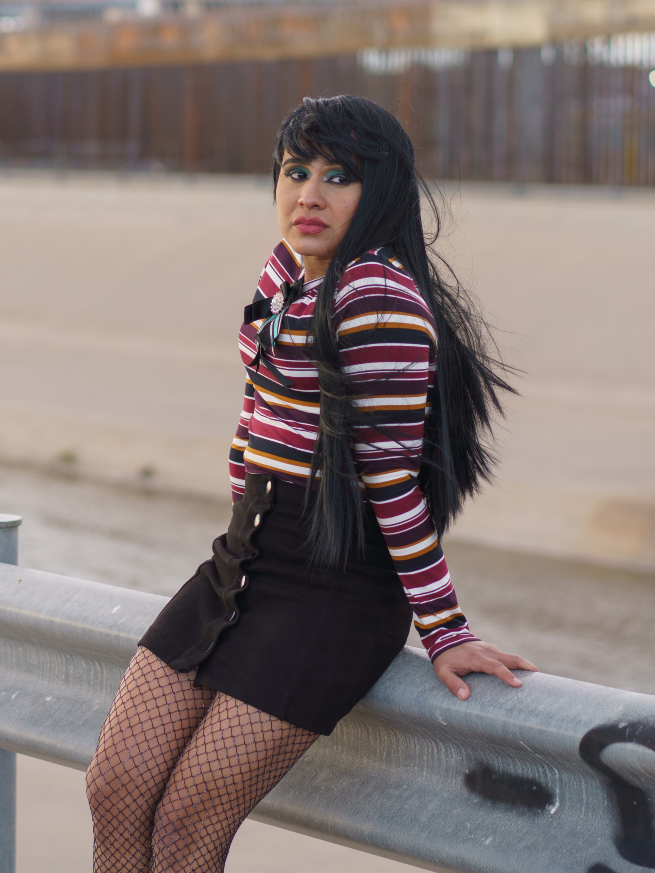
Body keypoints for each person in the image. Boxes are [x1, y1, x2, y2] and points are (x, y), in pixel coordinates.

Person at [84, 94, 536, 873]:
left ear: (381, 192)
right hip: (243, 561)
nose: (309, 195)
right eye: (296, 171)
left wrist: (446, 630)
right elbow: (257, 412)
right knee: (116, 786)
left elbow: (395, 487)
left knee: (188, 823)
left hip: (332, 592)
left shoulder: (380, 299)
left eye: (339, 176)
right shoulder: (289, 273)